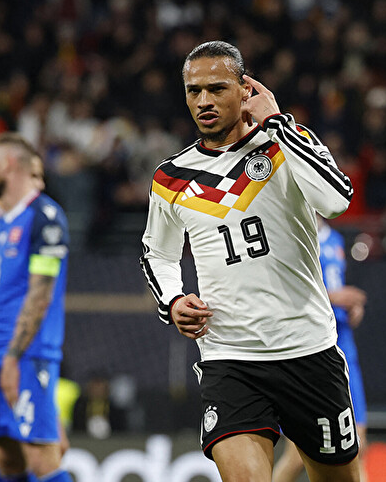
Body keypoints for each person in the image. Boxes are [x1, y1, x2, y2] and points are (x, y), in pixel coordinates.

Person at [139, 41, 359, 482]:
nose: (203, 101)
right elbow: (156, 252)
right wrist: (173, 300)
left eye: (217, 88)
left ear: (246, 90)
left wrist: (277, 124)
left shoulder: (286, 144)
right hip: (230, 357)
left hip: (307, 350)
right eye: (194, 91)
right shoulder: (171, 177)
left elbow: (336, 201)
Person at [0, 132, 72, 482]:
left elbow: (40, 294)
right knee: (7, 457)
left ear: (8, 164)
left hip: (26, 355)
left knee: (42, 459)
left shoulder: (44, 217)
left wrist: (13, 357)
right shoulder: (1, 221)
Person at [272, 216, 369, 482]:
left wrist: (352, 307)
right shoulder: (293, 231)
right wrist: (335, 297)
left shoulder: (335, 238)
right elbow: (286, 289)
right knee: (297, 454)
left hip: (344, 345)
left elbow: (335, 283)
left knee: (358, 444)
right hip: (310, 346)